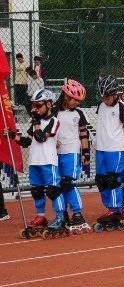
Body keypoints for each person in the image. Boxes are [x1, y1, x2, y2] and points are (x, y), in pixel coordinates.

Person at [19, 89, 65, 235]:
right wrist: (12, 135)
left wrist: (36, 121)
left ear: (49, 104)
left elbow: (40, 137)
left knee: (53, 190)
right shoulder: (35, 121)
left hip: (48, 160)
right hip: (35, 161)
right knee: (37, 191)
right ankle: (41, 217)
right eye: (34, 105)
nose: (35, 108)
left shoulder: (54, 121)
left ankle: (60, 217)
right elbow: (27, 141)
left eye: (38, 105)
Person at [93, 75, 124, 229]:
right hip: (101, 148)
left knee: (113, 179)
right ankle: (110, 207)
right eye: (102, 97)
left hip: (115, 148)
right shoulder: (101, 106)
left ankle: (115, 208)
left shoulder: (122, 106)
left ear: (115, 93)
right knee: (101, 180)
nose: (105, 100)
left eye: (107, 97)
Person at [54, 80, 92, 231]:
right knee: (58, 185)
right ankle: (62, 214)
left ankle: (77, 214)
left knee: (68, 183)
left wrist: (86, 153)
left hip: (72, 151)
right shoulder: (55, 112)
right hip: (55, 153)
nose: (76, 103)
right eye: (73, 99)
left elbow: (84, 135)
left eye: (78, 101)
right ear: (65, 96)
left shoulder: (79, 114)